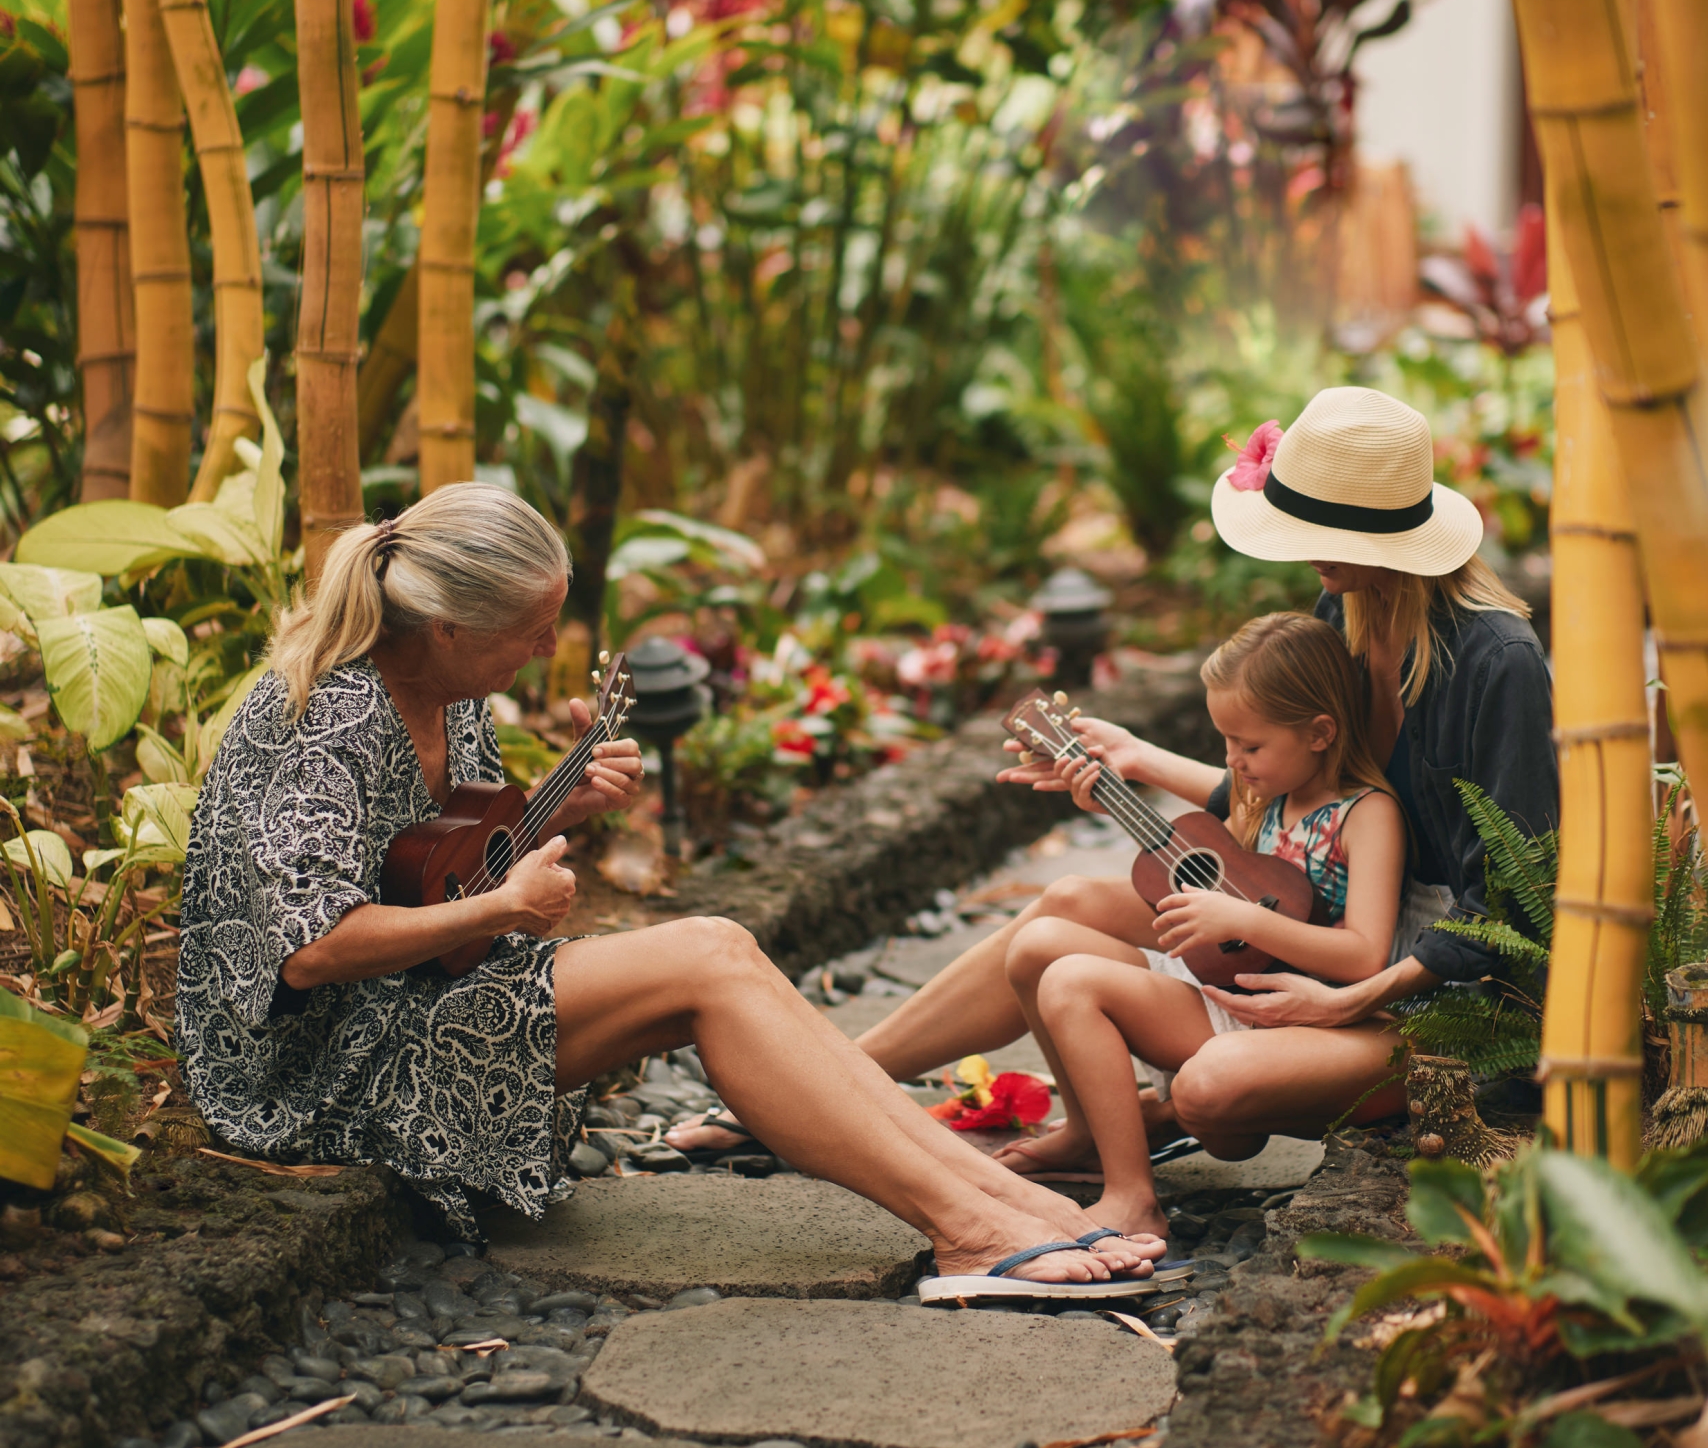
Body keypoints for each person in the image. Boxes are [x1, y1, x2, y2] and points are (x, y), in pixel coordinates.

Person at [175, 487, 1157, 1291]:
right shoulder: (329, 720)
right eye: (531, 632)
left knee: (721, 948)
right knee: (707, 956)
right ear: (444, 627)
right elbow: (312, 948)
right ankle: (969, 1225)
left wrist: (557, 813)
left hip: (415, 1001)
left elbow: (434, 853)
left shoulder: (441, 688)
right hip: (317, 1068)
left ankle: (998, 1205)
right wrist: (499, 909)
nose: (542, 651)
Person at [851, 385, 1559, 1166]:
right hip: (1331, 924)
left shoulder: (1500, 665)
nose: (1299, 549)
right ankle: (844, 1080)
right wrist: (1137, 761)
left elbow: (1514, 905)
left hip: (1439, 996)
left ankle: (1158, 1111)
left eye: (1317, 530)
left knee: (1210, 1092)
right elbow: (1311, 805)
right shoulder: (1349, 612)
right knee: (1067, 901)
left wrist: (1342, 1002)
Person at [1013, 612, 1404, 1249]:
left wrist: (1247, 920)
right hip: (1219, 984)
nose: (1232, 763)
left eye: (1248, 746)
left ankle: (1133, 1199)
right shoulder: (1263, 796)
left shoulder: (1368, 815)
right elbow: (1202, 866)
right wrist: (1106, 791)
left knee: (1073, 985)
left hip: (1284, 1015)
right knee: (1037, 947)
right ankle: (1091, 1135)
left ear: (1319, 733)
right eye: (1224, 743)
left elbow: (1365, 956)